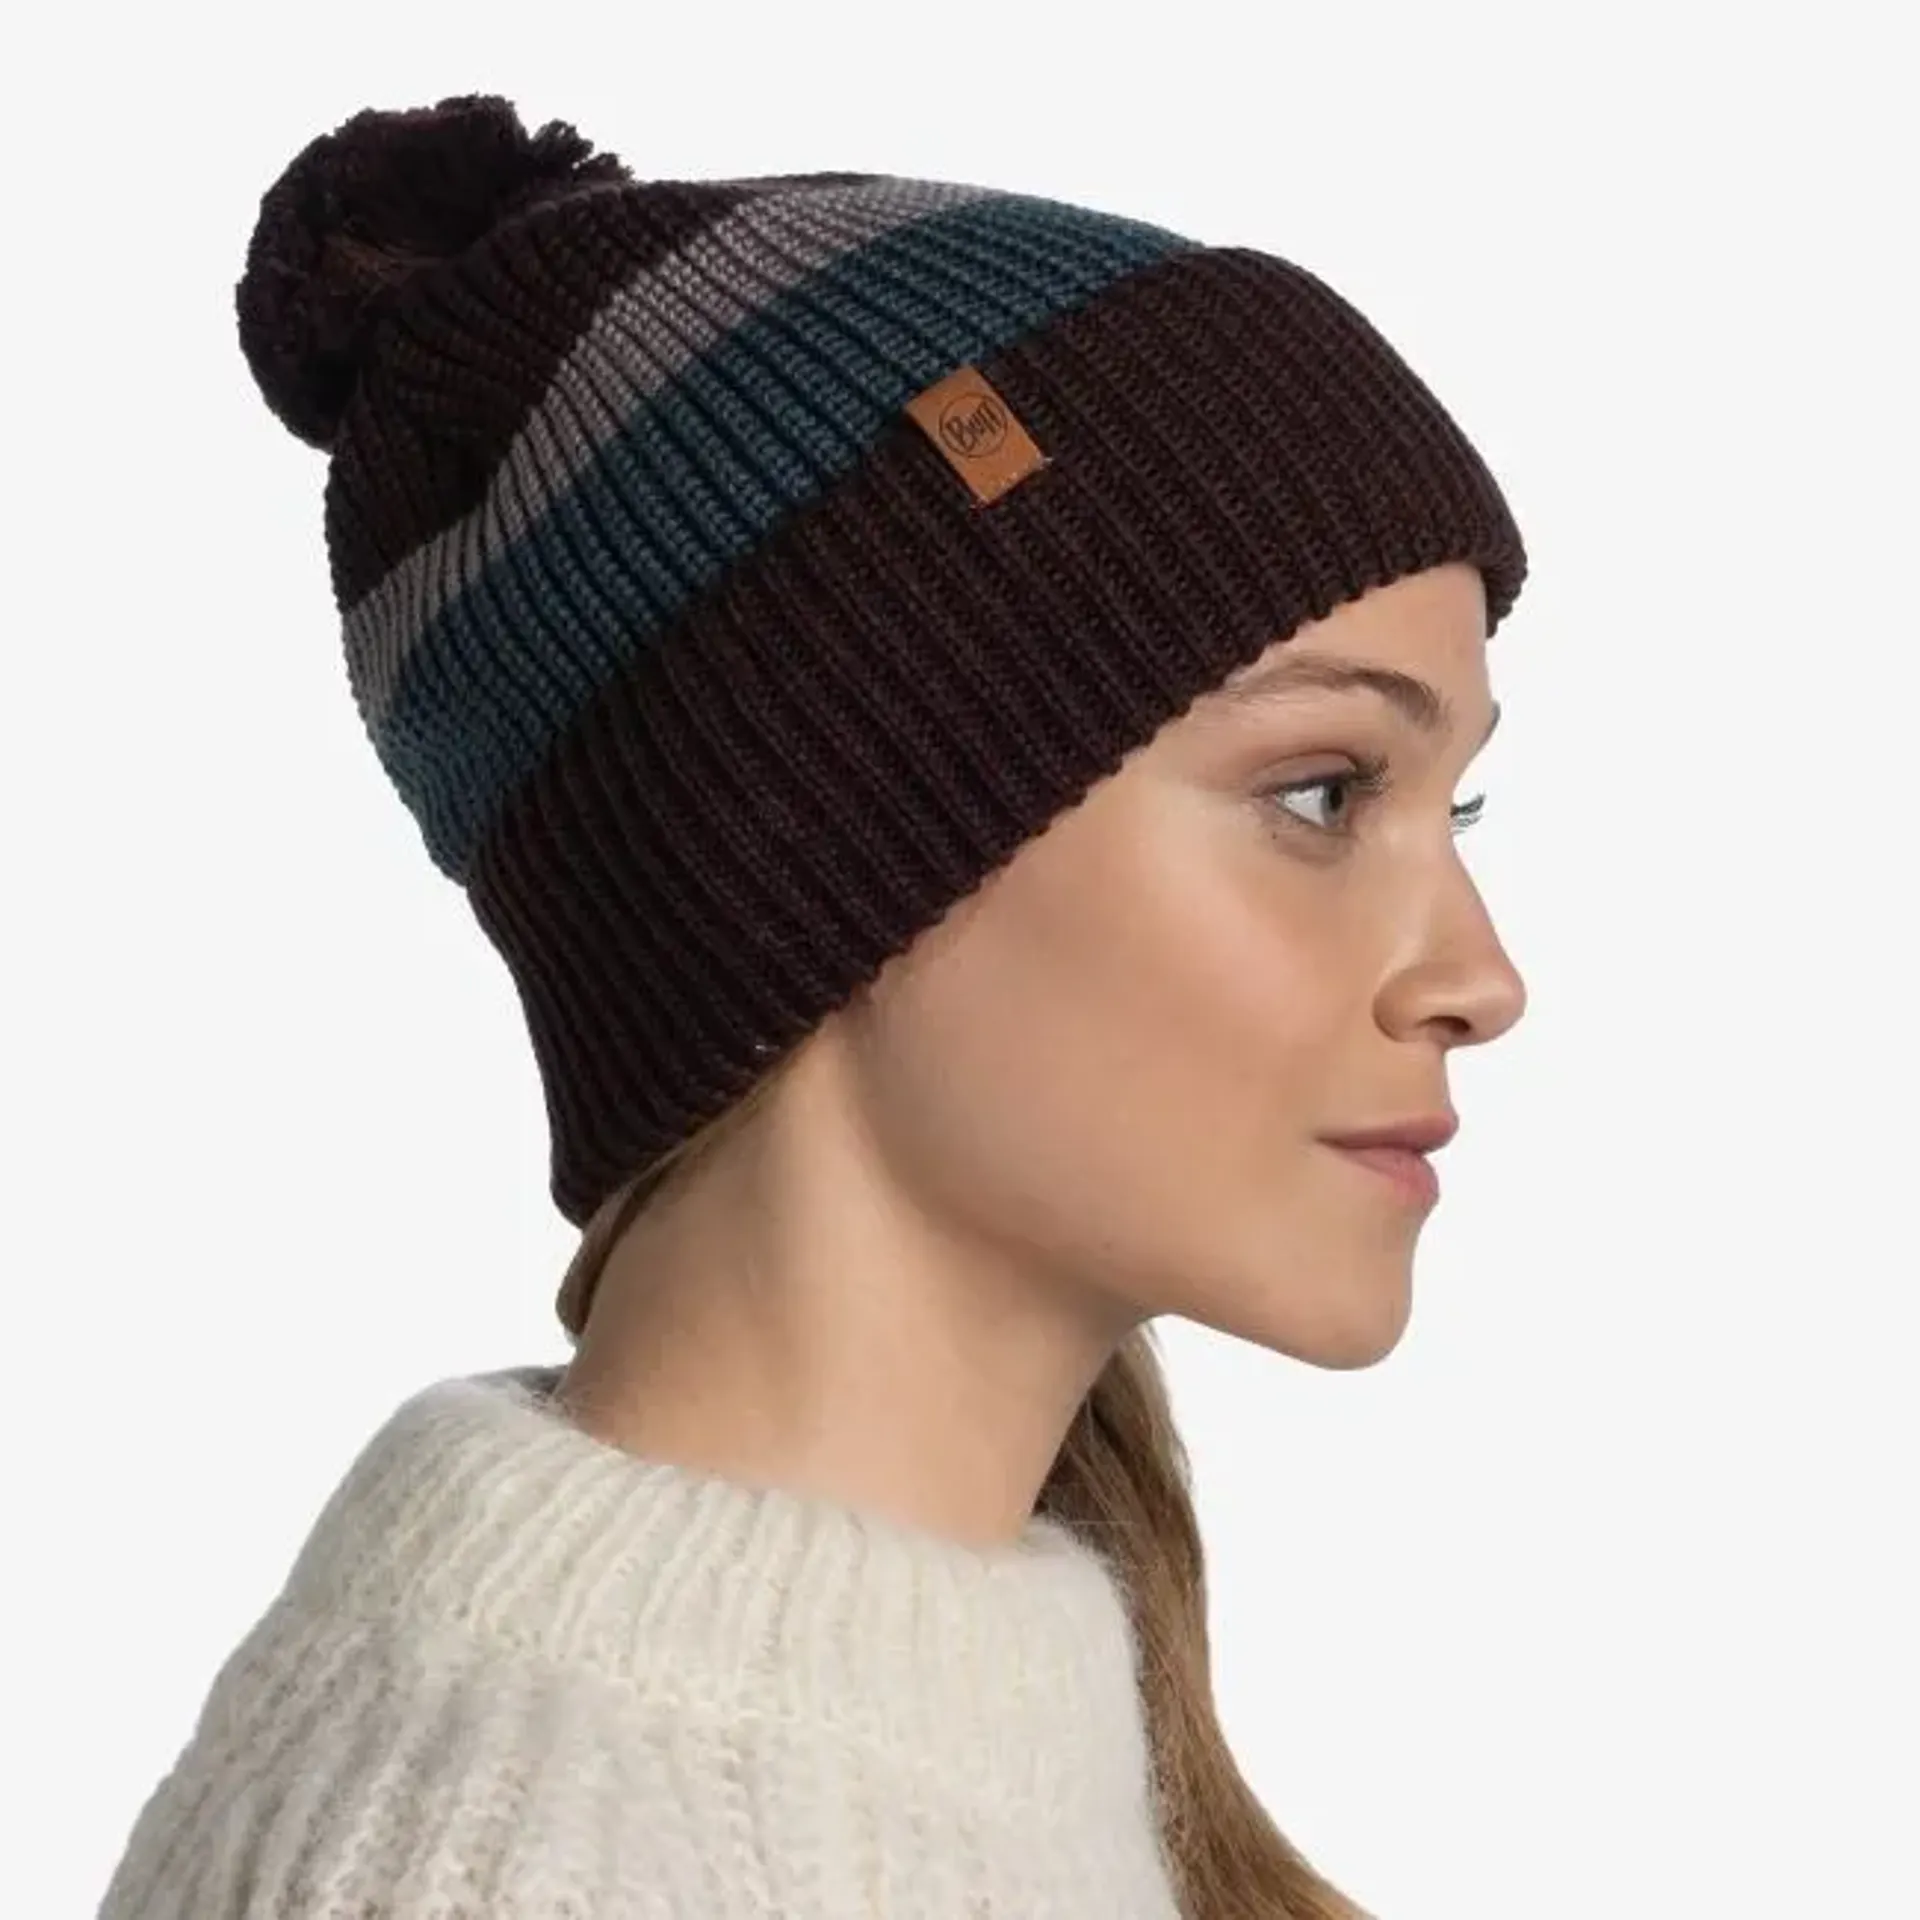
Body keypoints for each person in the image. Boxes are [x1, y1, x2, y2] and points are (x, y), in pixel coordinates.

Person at [99, 92, 1529, 1920]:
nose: (1481, 979)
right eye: (1321, 792)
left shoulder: (945, 1754)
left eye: (1458, 808)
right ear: (808, 850)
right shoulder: (522, 1868)